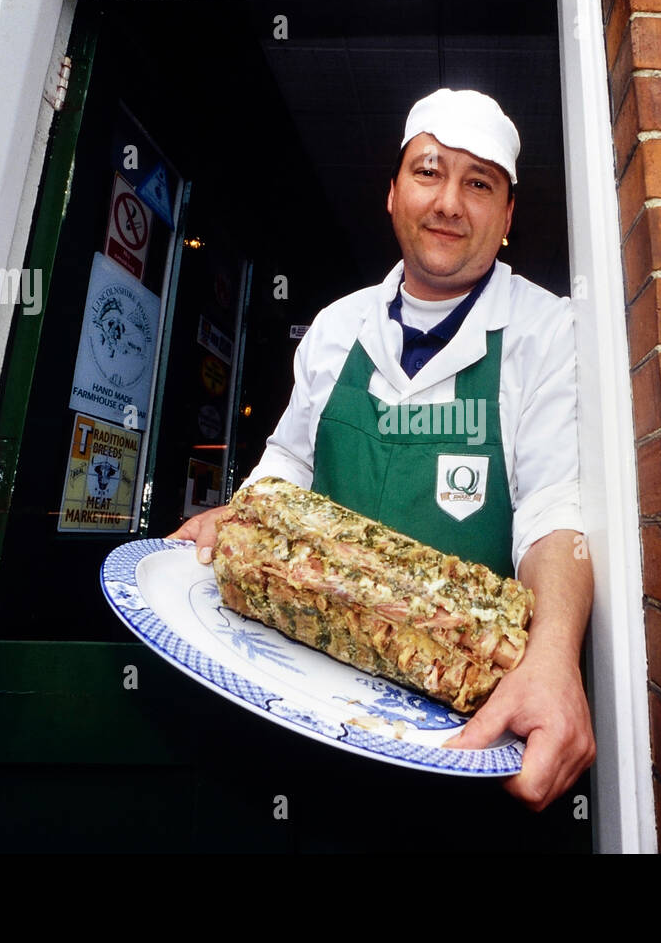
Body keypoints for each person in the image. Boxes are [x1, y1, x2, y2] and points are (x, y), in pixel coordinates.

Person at [171, 88, 594, 812]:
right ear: (393, 192)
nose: (449, 203)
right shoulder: (337, 327)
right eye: (429, 172)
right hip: (309, 703)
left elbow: (555, 510)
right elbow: (289, 463)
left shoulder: (547, 332)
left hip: (462, 734)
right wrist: (234, 516)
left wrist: (554, 654)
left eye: (479, 183)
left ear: (508, 215)